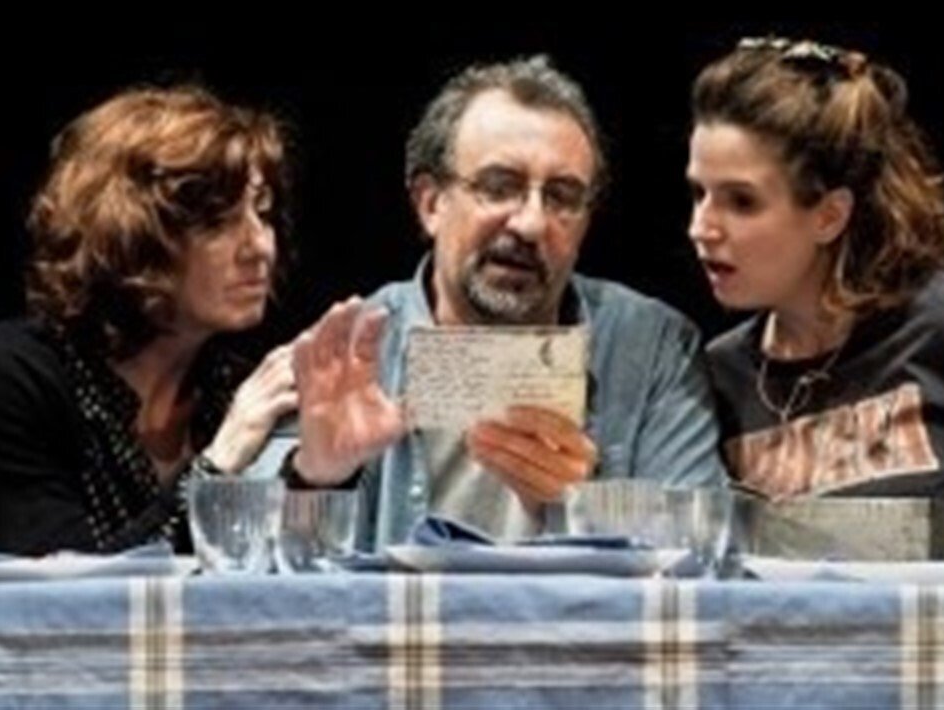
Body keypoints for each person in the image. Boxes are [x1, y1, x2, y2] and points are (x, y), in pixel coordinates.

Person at [686, 36, 944, 583]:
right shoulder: (717, 376)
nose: (701, 228)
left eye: (741, 201)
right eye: (698, 194)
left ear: (829, 215)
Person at [263, 55, 725, 548]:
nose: (531, 223)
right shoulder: (349, 355)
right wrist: (316, 479)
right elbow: (252, 569)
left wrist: (584, 508)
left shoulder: (650, 347)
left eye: (562, 197)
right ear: (430, 203)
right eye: (499, 188)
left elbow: (700, 558)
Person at [0, 85, 300, 555]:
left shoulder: (231, 391)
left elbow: (283, 580)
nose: (261, 247)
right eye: (217, 222)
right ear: (130, 235)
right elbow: (65, 593)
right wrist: (215, 468)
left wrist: (322, 471)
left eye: (263, 214)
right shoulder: (7, 379)